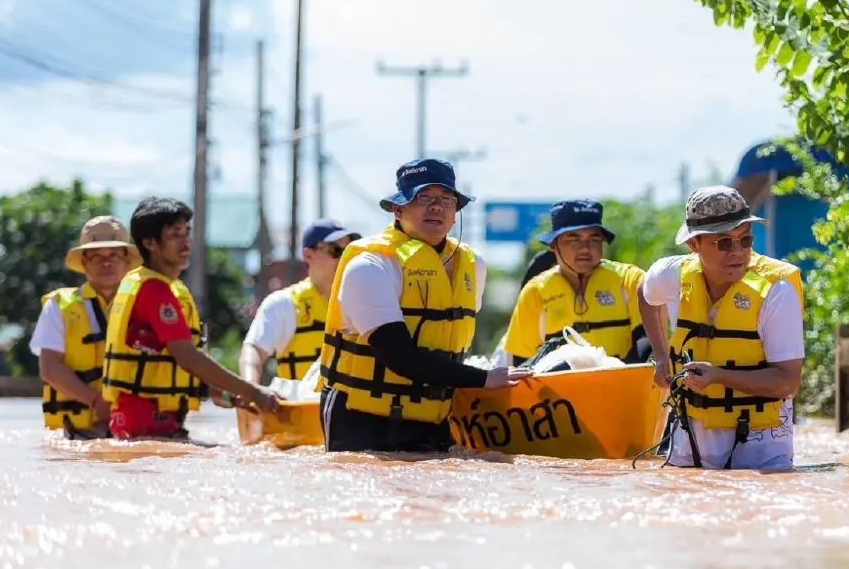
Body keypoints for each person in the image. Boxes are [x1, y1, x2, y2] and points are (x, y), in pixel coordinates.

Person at [317, 158, 531, 453]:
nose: (437, 207)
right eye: (423, 198)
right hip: (361, 418)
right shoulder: (370, 266)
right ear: (398, 209)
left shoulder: (473, 266)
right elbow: (399, 356)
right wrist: (485, 379)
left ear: (455, 214)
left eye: (446, 199)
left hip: (433, 416)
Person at [638, 186, 804, 471]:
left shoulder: (777, 290)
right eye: (724, 242)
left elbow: (788, 382)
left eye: (745, 239)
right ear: (694, 244)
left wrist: (719, 376)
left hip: (762, 453)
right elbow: (644, 292)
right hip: (688, 448)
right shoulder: (672, 275)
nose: (737, 252)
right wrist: (662, 355)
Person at [101, 197, 281, 441]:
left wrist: (222, 393)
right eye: (175, 235)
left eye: (187, 232)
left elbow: (167, 366)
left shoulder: (155, 285)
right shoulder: (155, 290)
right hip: (146, 425)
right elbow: (189, 359)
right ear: (149, 242)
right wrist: (254, 391)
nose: (185, 242)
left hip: (148, 423)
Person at [501, 199, 650, 366]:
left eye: (594, 239)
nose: (585, 248)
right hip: (559, 382)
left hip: (625, 379)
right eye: (574, 239)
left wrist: (612, 374)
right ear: (553, 245)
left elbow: (648, 340)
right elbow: (521, 361)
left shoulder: (631, 279)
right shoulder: (535, 292)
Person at [30, 216, 140, 439]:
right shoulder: (60, 305)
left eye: (114, 255)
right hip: (76, 431)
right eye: (96, 256)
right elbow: (49, 368)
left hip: (137, 423)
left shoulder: (144, 304)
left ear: (127, 262)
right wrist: (96, 402)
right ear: (84, 263)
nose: (106, 263)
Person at [239, 218, 360, 384]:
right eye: (336, 250)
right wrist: (250, 388)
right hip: (301, 400)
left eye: (349, 251)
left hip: (350, 401)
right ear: (308, 255)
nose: (344, 258)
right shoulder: (283, 304)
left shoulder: (363, 303)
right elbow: (255, 350)